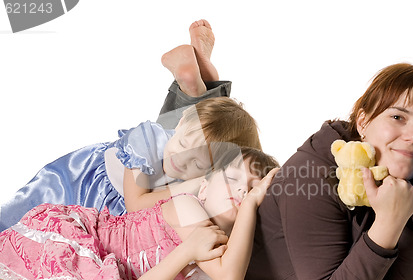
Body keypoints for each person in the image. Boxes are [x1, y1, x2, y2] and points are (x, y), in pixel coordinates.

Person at [156, 55, 413, 280]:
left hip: (233, 211)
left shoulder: (394, 179)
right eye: (397, 116)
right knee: (174, 158)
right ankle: (192, 86)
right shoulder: (313, 176)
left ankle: (201, 87)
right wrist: (388, 224)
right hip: (186, 240)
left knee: (221, 152)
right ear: (363, 122)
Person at [0, 20, 262, 232]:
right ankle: (198, 87)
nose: (181, 163)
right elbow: (136, 205)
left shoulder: (195, 149)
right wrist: (193, 183)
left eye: (197, 164)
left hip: (166, 169)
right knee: (23, 223)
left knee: (210, 135)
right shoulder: (146, 141)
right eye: (181, 146)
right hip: (84, 189)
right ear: (181, 122)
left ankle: (197, 87)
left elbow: (230, 155)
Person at [0, 147, 280, 280]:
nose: (243, 189)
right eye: (232, 178)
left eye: (254, 187)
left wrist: (186, 256)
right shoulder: (187, 206)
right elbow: (230, 276)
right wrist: (251, 202)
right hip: (79, 236)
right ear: (204, 188)